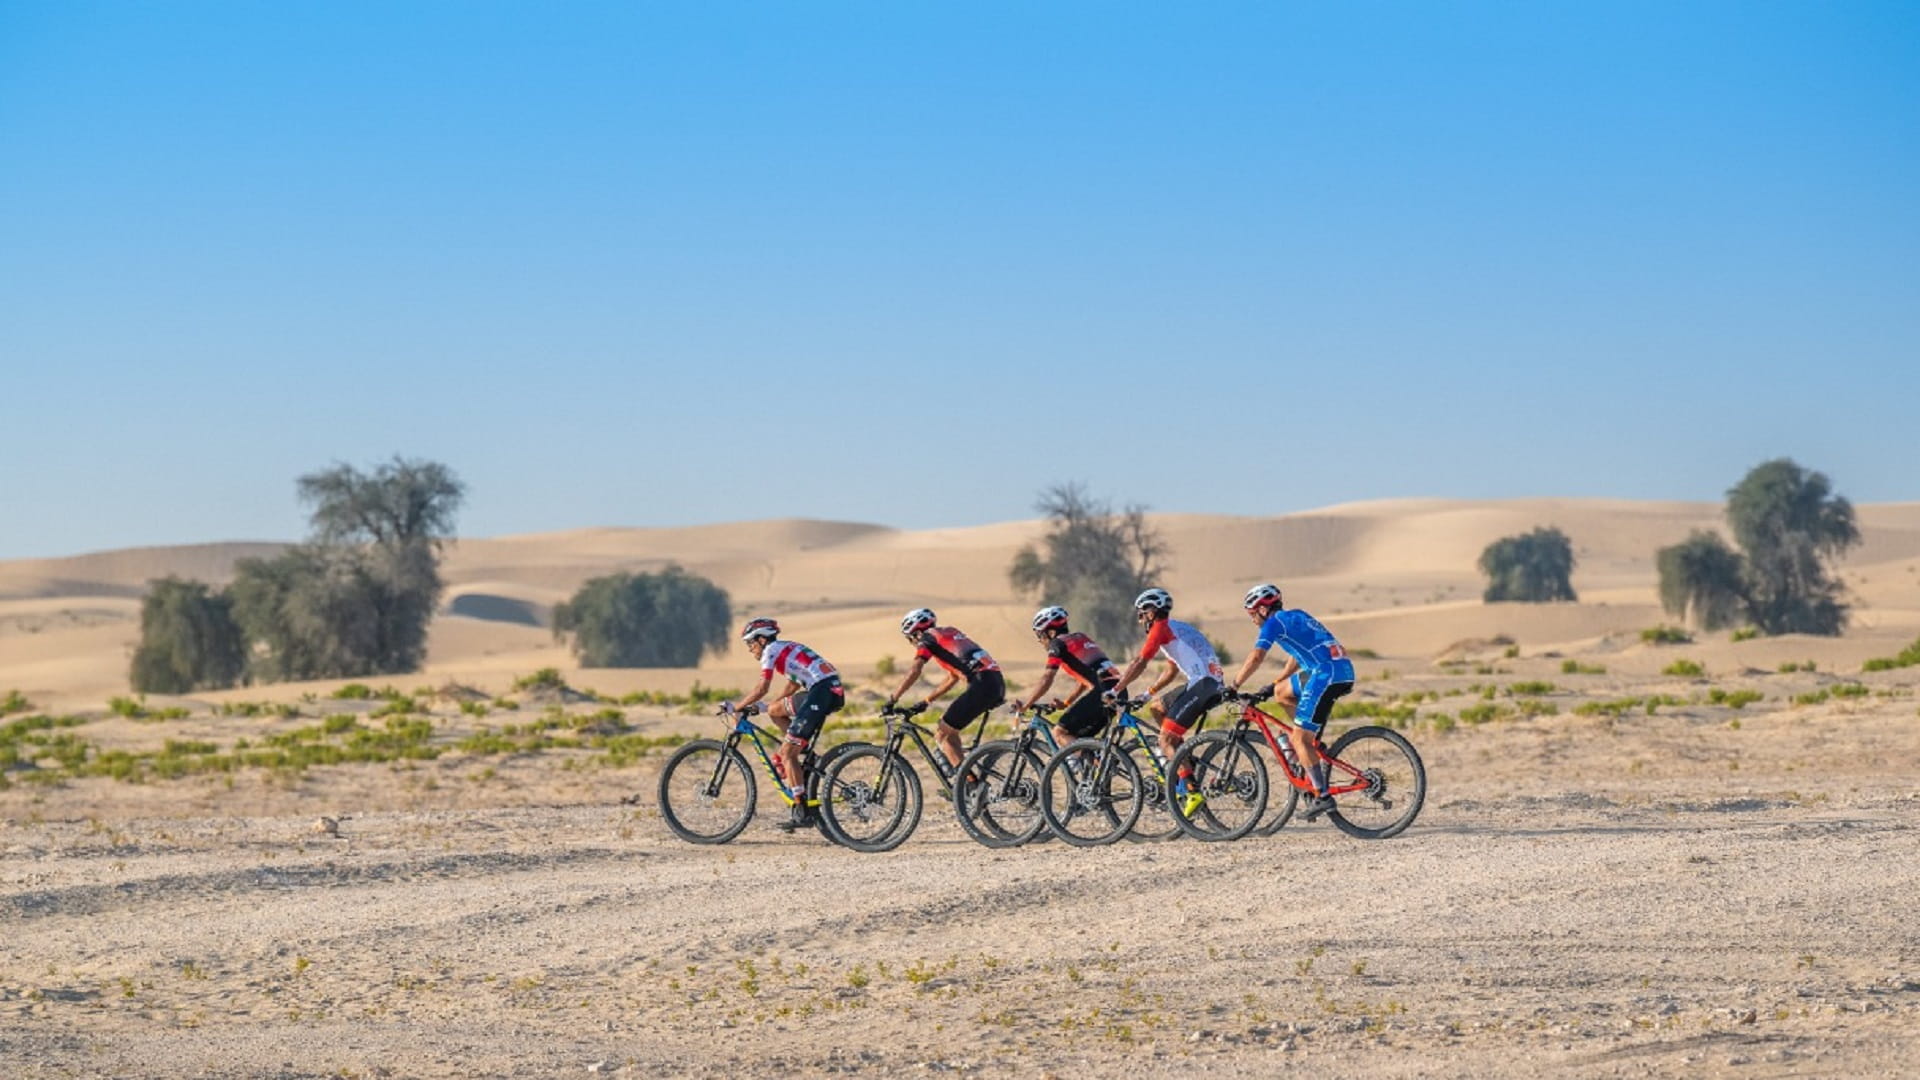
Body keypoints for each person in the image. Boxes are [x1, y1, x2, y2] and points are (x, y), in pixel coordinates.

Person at [1229, 583, 1355, 820]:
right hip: (1338, 669)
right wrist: (1276, 682)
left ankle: (1322, 795)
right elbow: (1297, 656)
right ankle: (1310, 743)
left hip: (1324, 674)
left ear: (1263, 609)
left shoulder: (1272, 624)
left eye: (1252, 614)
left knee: (1299, 739)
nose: (1253, 620)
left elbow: (1256, 656)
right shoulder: (1297, 615)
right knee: (1282, 692)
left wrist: (1234, 685)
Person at [1107, 587, 1225, 810]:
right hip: (1208, 683)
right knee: (1157, 708)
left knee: (1165, 741)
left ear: (1152, 612)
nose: (1141, 620)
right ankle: (1181, 760)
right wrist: (1147, 694)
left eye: (1142, 614)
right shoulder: (1175, 629)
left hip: (1203, 684)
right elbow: (1172, 670)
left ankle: (1192, 792)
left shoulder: (1160, 628)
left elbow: (1139, 662)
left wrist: (1115, 690)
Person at [730, 617, 845, 831]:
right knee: (775, 711)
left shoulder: (770, 651)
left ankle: (801, 810)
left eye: (751, 643)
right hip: (827, 689)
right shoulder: (785, 648)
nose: (750, 649)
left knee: (787, 754)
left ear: (762, 639)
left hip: (821, 692)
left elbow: (762, 687)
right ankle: (803, 752)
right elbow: (793, 684)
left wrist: (737, 707)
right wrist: (768, 706)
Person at [885, 608, 1006, 771]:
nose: (913, 644)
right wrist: (926, 701)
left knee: (943, 735)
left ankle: (969, 782)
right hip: (995, 682)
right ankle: (964, 776)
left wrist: (892, 699)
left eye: (910, 639)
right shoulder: (948, 633)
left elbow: (915, 670)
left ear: (916, 634)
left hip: (981, 684)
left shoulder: (927, 639)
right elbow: (953, 677)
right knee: (950, 732)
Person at [1008, 606, 1120, 748]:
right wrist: (1067, 703)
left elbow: (1047, 678)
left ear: (1051, 632)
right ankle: (1095, 761)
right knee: (1079, 741)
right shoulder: (1080, 638)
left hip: (1102, 694)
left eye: (1040, 635)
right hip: (1118, 690)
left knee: (1059, 733)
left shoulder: (1057, 645)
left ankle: (1088, 759)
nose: (1040, 641)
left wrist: (1026, 705)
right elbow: (1085, 680)